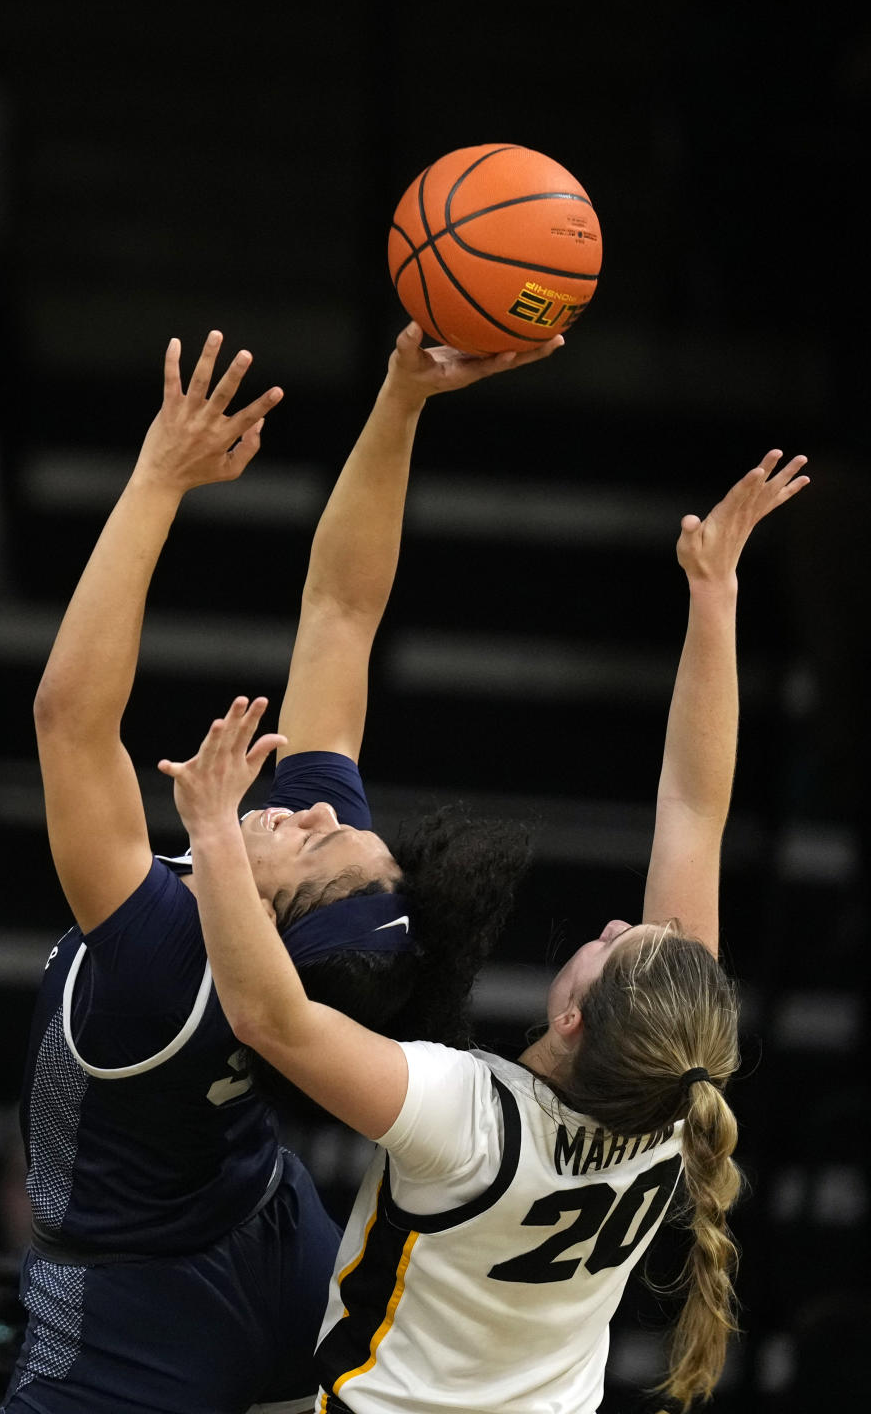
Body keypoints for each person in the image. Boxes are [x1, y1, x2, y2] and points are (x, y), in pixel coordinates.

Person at [159, 450, 810, 1414]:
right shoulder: (675, 1089)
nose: (620, 920)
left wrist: (216, 837)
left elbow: (271, 1020)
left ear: (576, 1014)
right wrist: (714, 597)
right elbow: (693, 810)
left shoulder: (479, 1121)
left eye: (609, 944)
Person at [0, 322, 560, 1414]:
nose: (308, 810)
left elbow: (68, 720)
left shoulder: (166, 964)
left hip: (129, 1307)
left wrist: (161, 475)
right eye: (335, 822)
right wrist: (402, 403)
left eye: (314, 841)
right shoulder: (341, 920)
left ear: (268, 935)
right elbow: (341, 618)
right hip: (274, 1229)